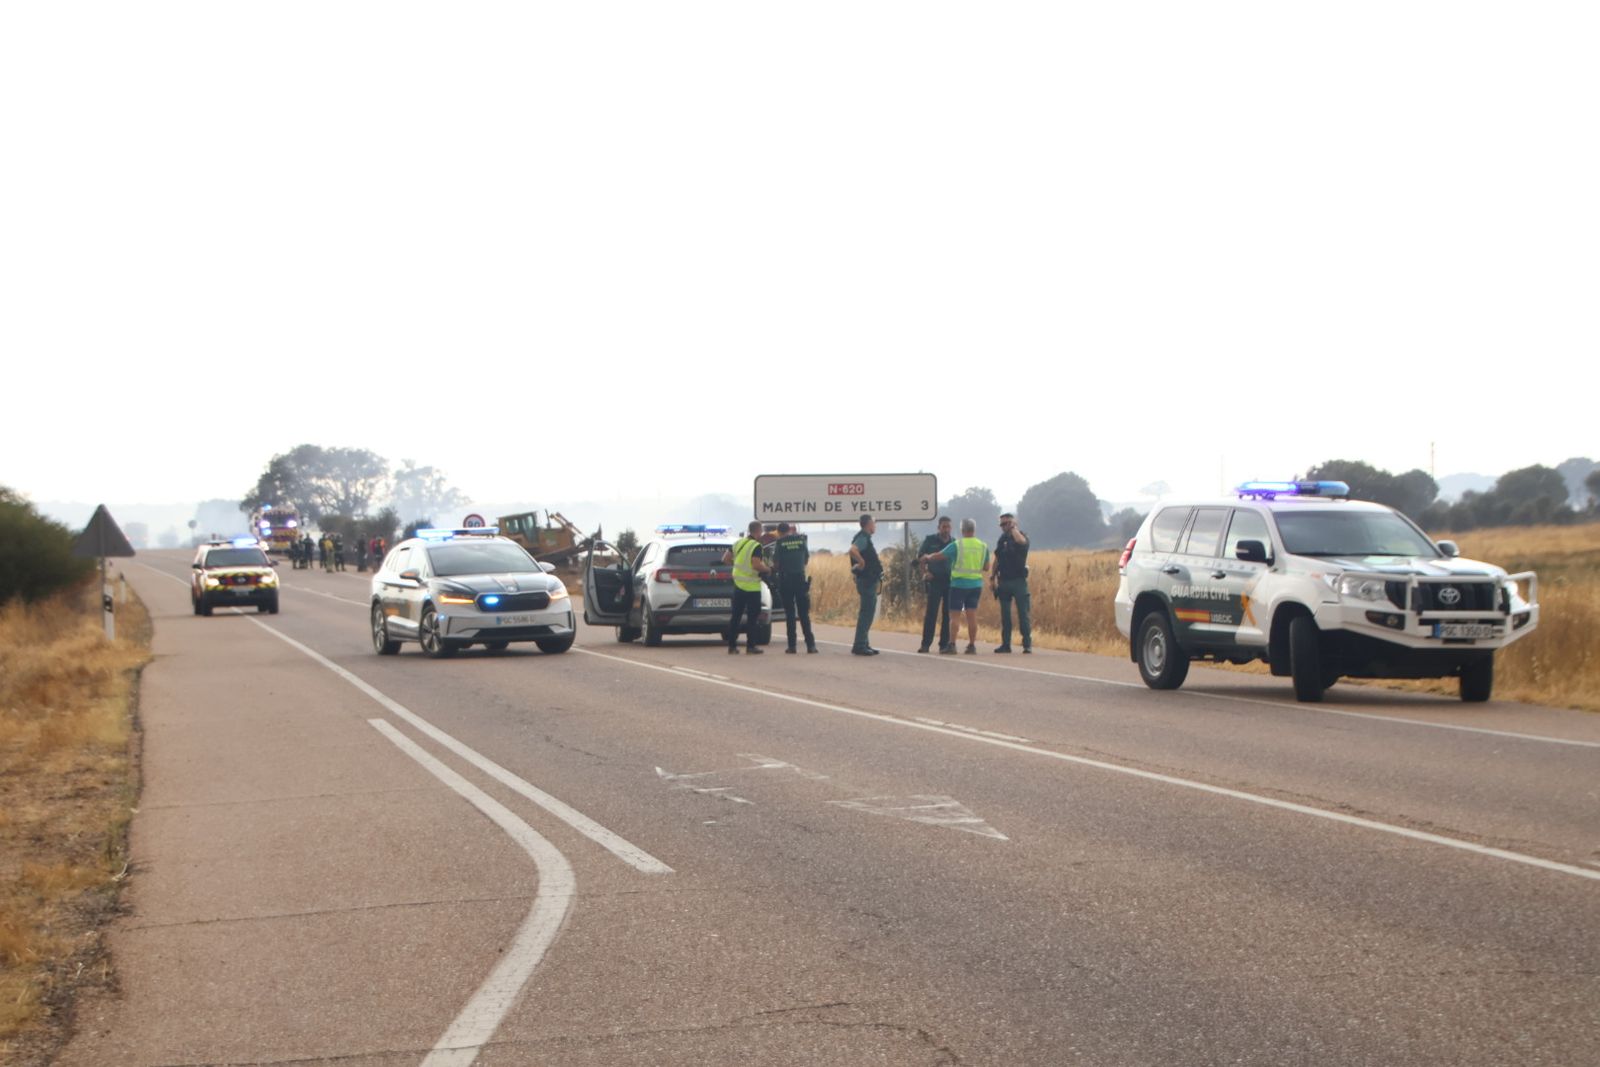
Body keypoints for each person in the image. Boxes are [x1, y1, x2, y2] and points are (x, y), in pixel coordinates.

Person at [923, 517, 989, 654]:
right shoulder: (983, 546)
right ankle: (971, 645)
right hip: (976, 585)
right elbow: (987, 567)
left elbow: (940, 555)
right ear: (974, 529)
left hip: (959, 584)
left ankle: (952, 644)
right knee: (972, 616)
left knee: (955, 617)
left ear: (962, 530)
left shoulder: (958, 545)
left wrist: (928, 557)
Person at [721, 520, 771, 655]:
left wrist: (737, 565)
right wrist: (767, 569)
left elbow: (725, 559)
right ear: (758, 531)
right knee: (752, 618)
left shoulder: (738, 543)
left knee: (736, 616)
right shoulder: (756, 546)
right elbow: (756, 565)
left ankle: (732, 646)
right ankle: (751, 646)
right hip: (752, 587)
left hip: (738, 584)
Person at [768, 522, 817, 653]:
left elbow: (776, 563)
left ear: (778, 532)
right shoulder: (801, 541)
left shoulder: (780, 543)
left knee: (790, 614)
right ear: (789, 530)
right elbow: (806, 560)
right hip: (800, 579)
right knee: (803, 614)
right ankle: (811, 645)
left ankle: (792, 646)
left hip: (786, 580)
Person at [990, 512, 1032, 653]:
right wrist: (992, 578)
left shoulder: (1021, 536)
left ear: (1014, 523)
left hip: (1018, 581)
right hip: (1004, 581)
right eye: (1002, 524)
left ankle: (1027, 644)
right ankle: (1006, 644)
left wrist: (1013, 529)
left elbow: (1021, 542)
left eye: (1007, 523)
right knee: (1005, 615)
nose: (1004, 526)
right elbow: (997, 559)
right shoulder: (1002, 540)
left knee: (1023, 614)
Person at [917, 515, 955, 654]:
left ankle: (943, 645)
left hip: (950, 582)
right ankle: (925, 644)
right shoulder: (930, 540)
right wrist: (925, 573)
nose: (946, 529)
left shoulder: (954, 543)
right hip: (934, 582)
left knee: (947, 615)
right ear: (938, 527)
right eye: (944, 526)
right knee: (931, 614)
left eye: (948, 527)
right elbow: (921, 558)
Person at [848, 514, 882, 655]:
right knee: (866, 613)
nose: (875, 526)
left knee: (867, 613)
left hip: (869, 580)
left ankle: (864, 643)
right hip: (867, 581)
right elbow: (853, 550)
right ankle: (859, 645)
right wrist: (861, 562)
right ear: (868, 524)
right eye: (874, 523)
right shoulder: (862, 537)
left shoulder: (865, 538)